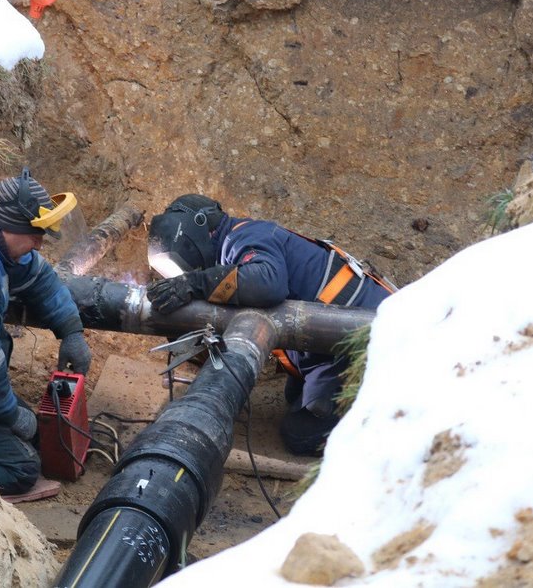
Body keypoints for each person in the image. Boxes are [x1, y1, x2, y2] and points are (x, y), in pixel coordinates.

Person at [145, 194, 394, 456]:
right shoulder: (235, 245)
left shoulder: (244, 237)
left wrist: (194, 283)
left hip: (373, 348)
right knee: (293, 395)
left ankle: (393, 428)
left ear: (194, 230)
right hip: (335, 348)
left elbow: (268, 284)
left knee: (300, 435)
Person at [0, 167, 92, 495]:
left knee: (36, 432)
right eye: (35, 233)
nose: (38, 243)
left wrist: (71, 330)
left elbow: (42, 281)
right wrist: (12, 417)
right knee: (21, 468)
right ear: (9, 224)